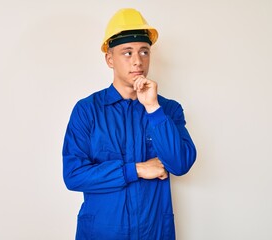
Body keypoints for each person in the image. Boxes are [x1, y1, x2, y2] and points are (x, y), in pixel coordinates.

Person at [62, 8, 197, 240]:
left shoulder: (168, 110)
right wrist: (137, 169)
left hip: (153, 233)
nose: (138, 61)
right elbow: (74, 175)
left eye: (144, 51)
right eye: (127, 52)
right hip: (101, 233)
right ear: (109, 59)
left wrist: (153, 109)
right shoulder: (87, 111)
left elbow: (181, 163)